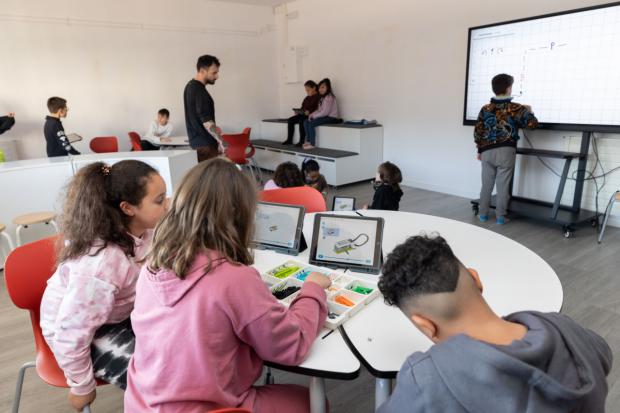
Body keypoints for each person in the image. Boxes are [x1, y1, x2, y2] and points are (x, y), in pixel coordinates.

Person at [125, 158, 331, 412]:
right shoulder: (234, 279)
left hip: (142, 402)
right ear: (240, 215)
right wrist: (313, 289)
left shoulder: (152, 264)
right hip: (207, 407)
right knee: (313, 403)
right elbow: (292, 346)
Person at [377, 234, 612, 413]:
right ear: (476, 279)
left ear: (425, 325)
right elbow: (604, 356)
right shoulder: (568, 330)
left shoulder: (427, 378)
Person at [40, 160, 167, 412]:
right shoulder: (101, 265)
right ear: (128, 208)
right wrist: (82, 387)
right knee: (162, 383)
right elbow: (71, 334)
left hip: (117, 313)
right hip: (84, 333)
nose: (168, 205)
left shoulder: (145, 232)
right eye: (159, 200)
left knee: (188, 348)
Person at [474, 73, 538, 225]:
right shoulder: (517, 108)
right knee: (503, 185)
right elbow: (532, 125)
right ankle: (501, 217)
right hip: (506, 151)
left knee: (486, 184)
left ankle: (482, 214)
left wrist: (479, 149)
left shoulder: (485, 108)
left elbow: (478, 131)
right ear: (509, 89)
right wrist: (529, 111)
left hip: (487, 150)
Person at [183, 55, 225, 162]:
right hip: (205, 146)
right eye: (214, 73)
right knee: (211, 178)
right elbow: (206, 120)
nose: (217, 76)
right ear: (202, 71)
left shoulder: (190, 86)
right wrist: (221, 142)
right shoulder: (198, 90)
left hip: (200, 144)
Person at [303, 78, 341, 150]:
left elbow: (325, 112)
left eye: (323, 87)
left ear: (328, 87)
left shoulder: (329, 97)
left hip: (331, 117)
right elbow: (319, 110)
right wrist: (311, 115)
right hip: (325, 116)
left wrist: (314, 117)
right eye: (320, 87)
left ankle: (312, 143)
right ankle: (308, 141)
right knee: (306, 122)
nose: (321, 89)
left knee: (311, 124)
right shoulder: (322, 98)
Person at [282, 80, 320, 146]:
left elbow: (319, 108)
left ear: (314, 88)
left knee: (301, 121)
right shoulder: (307, 98)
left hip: (311, 115)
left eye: (308, 90)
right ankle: (289, 140)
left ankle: (301, 141)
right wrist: (298, 111)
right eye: (306, 90)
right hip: (303, 114)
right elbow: (303, 107)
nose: (307, 92)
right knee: (290, 120)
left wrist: (310, 112)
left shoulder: (319, 97)